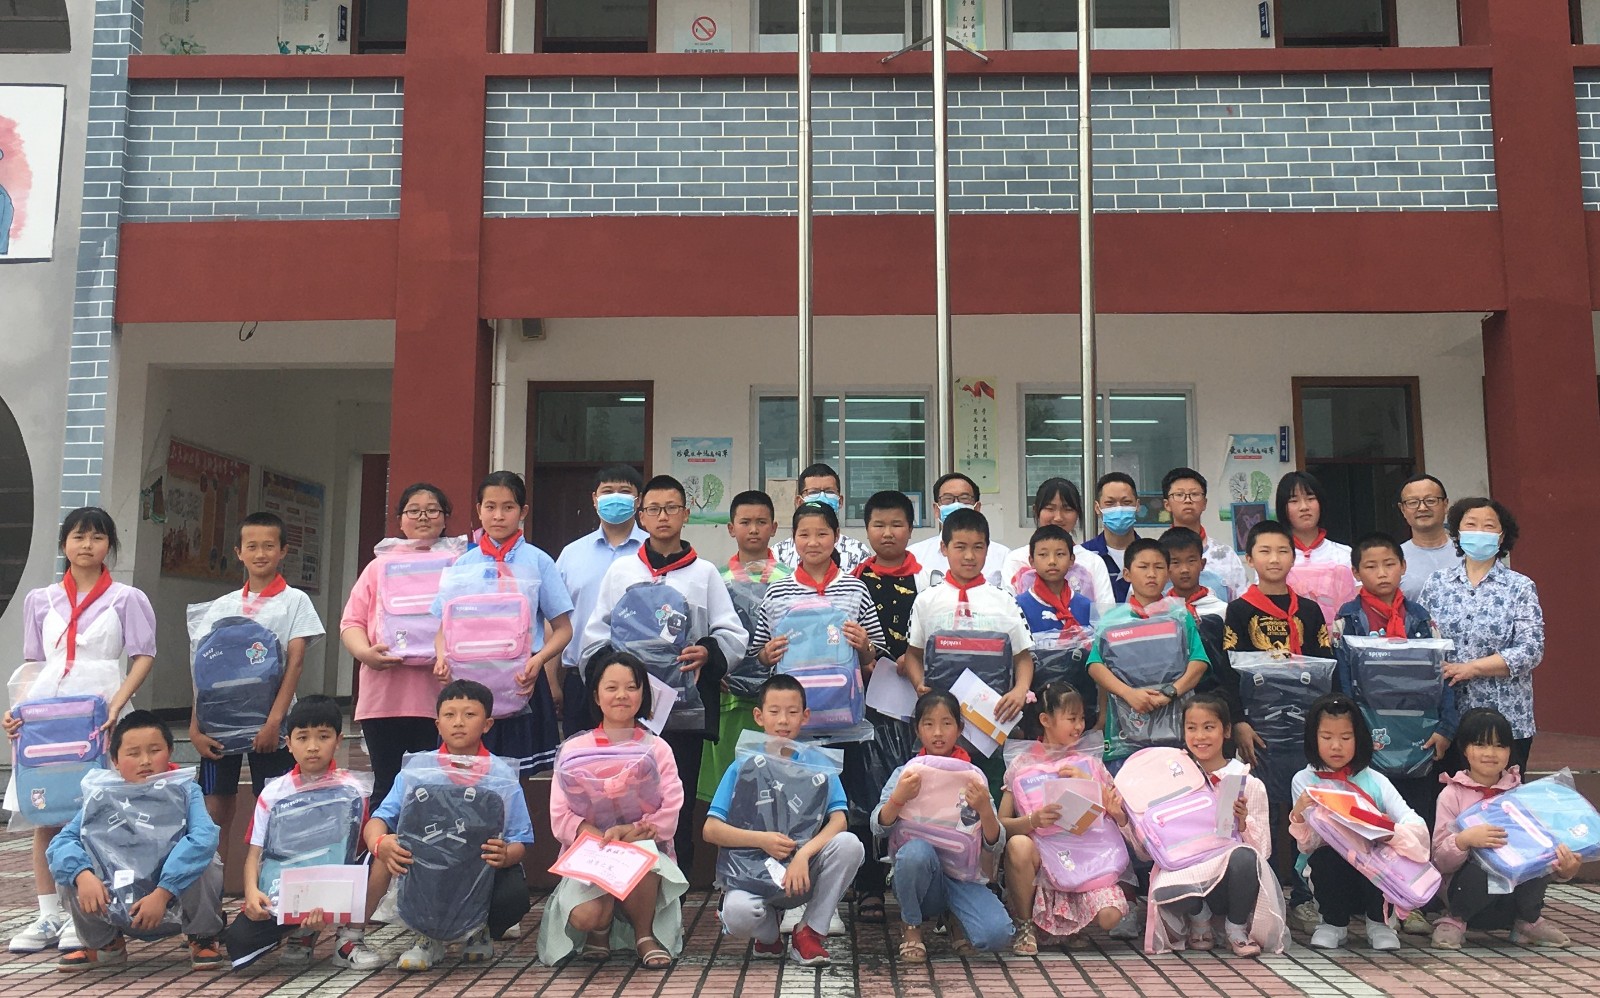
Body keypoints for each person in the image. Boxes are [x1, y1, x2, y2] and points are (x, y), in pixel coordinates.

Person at [4, 507, 156, 955]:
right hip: (47, 714)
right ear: (64, 543)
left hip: (101, 711)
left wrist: (117, 702)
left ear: (110, 545)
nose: (87, 545)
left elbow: (144, 655)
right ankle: (48, 913)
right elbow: (33, 663)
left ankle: (85, 915)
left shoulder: (127, 598)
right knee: (47, 811)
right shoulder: (40, 599)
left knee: (95, 812)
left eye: (97, 537)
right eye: (78, 536)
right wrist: (17, 713)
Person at [578, 474, 749, 866]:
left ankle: (677, 885)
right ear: (641, 516)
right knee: (624, 798)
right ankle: (625, 875)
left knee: (677, 800)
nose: (663, 516)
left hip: (682, 711)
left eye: (671, 508)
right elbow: (595, 635)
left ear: (686, 514)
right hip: (627, 711)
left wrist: (708, 652)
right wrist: (614, 674)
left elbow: (732, 633)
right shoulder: (621, 571)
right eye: (653, 509)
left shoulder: (704, 573)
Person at [189, 511, 324, 881]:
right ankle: (211, 893)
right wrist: (195, 728)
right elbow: (202, 671)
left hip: (272, 724)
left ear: (283, 551)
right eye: (252, 546)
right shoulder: (221, 605)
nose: (260, 553)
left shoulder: (296, 601)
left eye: (268, 546)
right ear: (238, 552)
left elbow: (295, 663)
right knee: (215, 808)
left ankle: (272, 887)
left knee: (276, 805)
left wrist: (275, 723)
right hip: (219, 724)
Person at [365, 680, 533, 971]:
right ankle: (426, 938)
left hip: (479, 868)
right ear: (437, 724)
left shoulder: (502, 775)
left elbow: (521, 838)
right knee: (391, 855)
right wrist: (380, 842)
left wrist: (507, 854)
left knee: (512, 896)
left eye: (470, 714)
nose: (458, 722)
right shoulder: (418, 769)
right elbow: (380, 819)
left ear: (487, 724)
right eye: (449, 714)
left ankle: (478, 929)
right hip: (426, 868)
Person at [703, 675, 864, 965]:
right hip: (753, 873)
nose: (783, 720)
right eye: (774, 711)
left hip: (801, 874)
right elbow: (711, 829)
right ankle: (769, 935)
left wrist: (803, 854)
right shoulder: (744, 764)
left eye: (792, 712)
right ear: (758, 716)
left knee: (850, 845)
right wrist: (761, 840)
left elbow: (839, 820)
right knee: (738, 915)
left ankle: (809, 931)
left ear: (805, 716)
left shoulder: (818, 764)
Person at [47, 711, 225, 971]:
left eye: (155, 750)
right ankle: (106, 945)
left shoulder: (185, 790)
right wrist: (82, 875)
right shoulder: (101, 795)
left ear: (170, 751)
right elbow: (62, 842)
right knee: (68, 869)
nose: (145, 761)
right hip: (116, 902)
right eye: (133, 753)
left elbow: (203, 837)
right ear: (115, 760)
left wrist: (163, 892)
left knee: (207, 861)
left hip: (170, 899)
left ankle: (202, 937)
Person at [541, 652, 687, 969]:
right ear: (596, 695)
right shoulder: (574, 749)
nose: (622, 695)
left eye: (631, 687)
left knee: (642, 853)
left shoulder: (657, 748)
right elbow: (560, 814)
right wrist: (598, 837)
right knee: (585, 914)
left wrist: (629, 833)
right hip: (591, 850)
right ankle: (600, 928)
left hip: (640, 845)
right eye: (611, 687)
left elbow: (670, 808)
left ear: (643, 695)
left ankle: (645, 935)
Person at [435, 470, 574, 776]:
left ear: (523, 512)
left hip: (522, 681)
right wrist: (442, 657)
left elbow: (564, 629)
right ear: (479, 510)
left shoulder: (539, 561)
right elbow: (443, 629)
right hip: (469, 683)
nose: (498, 515)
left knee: (516, 777)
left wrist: (538, 661)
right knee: (469, 775)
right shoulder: (462, 565)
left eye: (508, 507)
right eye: (490, 507)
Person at [230, 695, 384, 969]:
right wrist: (252, 893)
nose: (313, 747)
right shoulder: (274, 793)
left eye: (323, 736)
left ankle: (349, 940)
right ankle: (301, 933)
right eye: (302, 738)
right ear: (288, 744)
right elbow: (255, 854)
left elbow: (360, 849)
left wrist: (330, 898)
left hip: (336, 887)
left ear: (338, 740)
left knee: (382, 853)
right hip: (287, 893)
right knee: (238, 942)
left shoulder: (354, 789)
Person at [340, 482, 458, 809]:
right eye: (413, 511)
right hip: (384, 698)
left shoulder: (459, 566)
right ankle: (383, 843)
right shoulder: (379, 567)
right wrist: (365, 653)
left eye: (432, 510)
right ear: (400, 520)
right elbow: (351, 622)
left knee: (435, 791)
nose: (423, 517)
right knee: (386, 785)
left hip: (440, 698)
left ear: (445, 518)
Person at [902, 507, 1034, 798]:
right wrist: (919, 683)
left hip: (993, 724)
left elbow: (1023, 657)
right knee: (941, 802)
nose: (969, 556)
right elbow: (913, 653)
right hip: (941, 728)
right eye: (960, 547)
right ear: (944, 548)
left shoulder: (1005, 601)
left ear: (988, 549)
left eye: (978, 547)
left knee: (989, 799)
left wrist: (1019, 690)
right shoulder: (926, 600)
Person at [872, 691, 1012, 962]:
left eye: (947, 723)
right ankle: (911, 924)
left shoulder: (972, 776)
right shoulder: (907, 772)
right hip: (921, 876)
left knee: (997, 934)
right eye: (929, 724)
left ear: (959, 728)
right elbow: (879, 828)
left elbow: (995, 843)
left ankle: (953, 915)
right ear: (917, 729)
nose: (938, 732)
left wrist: (985, 809)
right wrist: (898, 798)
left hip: (963, 877)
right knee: (915, 853)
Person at [1140, 696, 1285, 957]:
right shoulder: (1172, 781)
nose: (1200, 736)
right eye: (1191, 728)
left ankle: (1236, 927)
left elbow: (1263, 852)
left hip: (1230, 882)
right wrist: (1123, 817)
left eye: (1209, 727)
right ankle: (1199, 919)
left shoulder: (1245, 782)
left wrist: (1243, 822)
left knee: (1244, 857)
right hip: (1188, 871)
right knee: (1163, 877)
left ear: (1226, 731)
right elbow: (1148, 845)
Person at [1332, 533, 1453, 838]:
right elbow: (1342, 681)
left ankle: (1418, 867)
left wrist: (1446, 727)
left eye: (1389, 564)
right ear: (1356, 572)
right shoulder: (1348, 619)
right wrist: (1353, 731)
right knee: (1373, 817)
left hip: (1419, 731)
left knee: (1417, 817)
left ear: (1403, 566)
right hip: (1370, 731)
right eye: (1371, 566)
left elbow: (1442, 673)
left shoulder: (1420, 618)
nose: (1382, 573)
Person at [1288, 693, 1429, 951]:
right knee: (1327, 856)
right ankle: (1332, 923)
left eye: (1345, 738)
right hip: (1331, 868)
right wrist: (1298, 814)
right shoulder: (1304, 780)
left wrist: (1391, 833)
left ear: (1359, 738)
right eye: (1326, 737)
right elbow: (1309, 844)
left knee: (1379, 854)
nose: (1336, 746)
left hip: (1374, 867)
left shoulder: (1375, 779)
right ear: (1313, 738)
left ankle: (1379, 923)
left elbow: (1413, 821)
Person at [1429, 708, 1579, 949]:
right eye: (1480, 744)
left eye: (1499, 745)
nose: (1490, 753)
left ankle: (1527, 921)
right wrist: (1464, 840)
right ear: (1464, 749)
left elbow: (1542, 847)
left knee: (1535, 857)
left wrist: (1564, 869)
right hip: (1467, 896)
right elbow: (1440, 861)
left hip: (1512, 898)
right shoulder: (1451, 795)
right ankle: (1455, 921)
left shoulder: (1520, 794)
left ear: (1510, 750)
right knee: (1482, 864)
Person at [998, 682, 1128, 953]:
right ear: (1045, 720)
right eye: (1071, 718)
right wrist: (1033, 821)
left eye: (1082, 718)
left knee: (1111, 917)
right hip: (1046, 861)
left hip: (1088, 857)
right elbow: (1001, 826)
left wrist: (1090, 784)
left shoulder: (1089, 762)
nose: (1079, 726)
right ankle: (1026, 926)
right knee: (1018, 845)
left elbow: (1121, 815)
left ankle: (1074, 927)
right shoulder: (1021, 764)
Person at [1419, 498, 1543, 776]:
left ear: (1502, 536)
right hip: (1448, 718)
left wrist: (1472, 668)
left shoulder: (1520, 587)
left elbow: (1531, 649)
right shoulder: (1437, 584)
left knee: (1501, 797)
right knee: (1449, 795)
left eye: (1488, 526)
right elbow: (1421, 642)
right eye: (1471, 525)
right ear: (1457, 533)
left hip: (1505, 717)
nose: (1479, 532)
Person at [845, 489, 923, 924]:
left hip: (920, 704)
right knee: (867, 794)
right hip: (866, 705)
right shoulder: (853, 582)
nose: (888, 533)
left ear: (910, 529)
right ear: (867, 530)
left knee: (917, 790)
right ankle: (869, 885)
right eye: (878, 525)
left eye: (896, 524)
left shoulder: (928, 580)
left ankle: (922, 883)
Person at [698, 490, 791, 805]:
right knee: (725, 788)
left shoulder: (790, 579)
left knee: (775, 786)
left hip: (778, 696)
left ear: (774, 527)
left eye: (761, 522)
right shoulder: (715, 578)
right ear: (730, 528)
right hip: (728, 697)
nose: (753, 529)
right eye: (745, 522)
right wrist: (715, 669)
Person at [1087, 538, 1210, 769]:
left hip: (1176, 729)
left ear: (1168, 573)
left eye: (1159, 567)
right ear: (1127, 574)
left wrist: (1170, 693)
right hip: (1123, 734)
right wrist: (1129, 694)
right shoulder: (1111, 620)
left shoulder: (1180, 615)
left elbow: (1199, 662)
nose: (1151, 574)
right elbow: (1095, 665)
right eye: (1143, 567)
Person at [556, 464, 648, 735]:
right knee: (581, 755)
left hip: (641, 680)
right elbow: (555, 620)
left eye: (624, 491)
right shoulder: (571, 555)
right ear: (594, 499)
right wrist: (552, 680)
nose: (615, 497)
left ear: (638, 500)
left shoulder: (652, 551)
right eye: (607, 491)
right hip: (581, 679)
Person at [1158, 527, 1256, 763]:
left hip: (1215, 709)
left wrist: (1237, 718)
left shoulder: (1222, 610)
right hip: (1168, 711)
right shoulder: (1157, 613)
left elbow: (1232, 670)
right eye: (1175, 562)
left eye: (1191, 561)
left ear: (1202, 564)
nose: (1184, 569)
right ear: (1165, 567)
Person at [1000, 478, 1116, 611]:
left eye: (1067, 509)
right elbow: (1008, 613)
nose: (1058, 517)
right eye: (1050, 508)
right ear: (1036, 511)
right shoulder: (1016, 560)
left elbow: (1107, 615)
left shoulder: (1093, 562)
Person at [908, 473, 1011, 589]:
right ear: (936, 510)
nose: (956, 504)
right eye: (948, 499)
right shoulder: (915, 555)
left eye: (964, 499)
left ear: (977, 508)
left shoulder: (1003, 556)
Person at [1160, 468, 1249, 600]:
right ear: (1167, 504)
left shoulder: (1225, 555)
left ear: (1204, 503)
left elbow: (1242, 601)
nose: (1188, 500)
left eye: (1195, 494)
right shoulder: (1156, 554)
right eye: (1179, 494)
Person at [772, 464, 872, 572]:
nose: (822, 497)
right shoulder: (778, 555)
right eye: (813, 492)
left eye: (829, 492)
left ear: (840, 501)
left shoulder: (858, 553)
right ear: (799, 501)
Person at [1014, 524, 1093, 635]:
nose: (1052, 561)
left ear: (1071, 560)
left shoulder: (1085, 605)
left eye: (1060, 554)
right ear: (1032, 561)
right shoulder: (1018, 606)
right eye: (1043, 554)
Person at [1081, 472, 1143, 604]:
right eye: (1110, 503)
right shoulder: (1084, 556)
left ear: (1137, 505)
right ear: (1097, 508)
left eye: (1126, 502)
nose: (1119, 509)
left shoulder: (1153, 555)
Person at [1397, 475, 1460, 600]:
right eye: (1413, 502)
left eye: (1430, 501)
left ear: (1445, 505)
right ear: (1402, 509)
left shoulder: (1469, 553)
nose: (1422, 508)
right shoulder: (1394, 558)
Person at [1277, 471, 1352, 567]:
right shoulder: (1273, 559)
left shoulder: (1345, 555)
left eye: (1310, 499)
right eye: (1294, 501)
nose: (1304, 507)